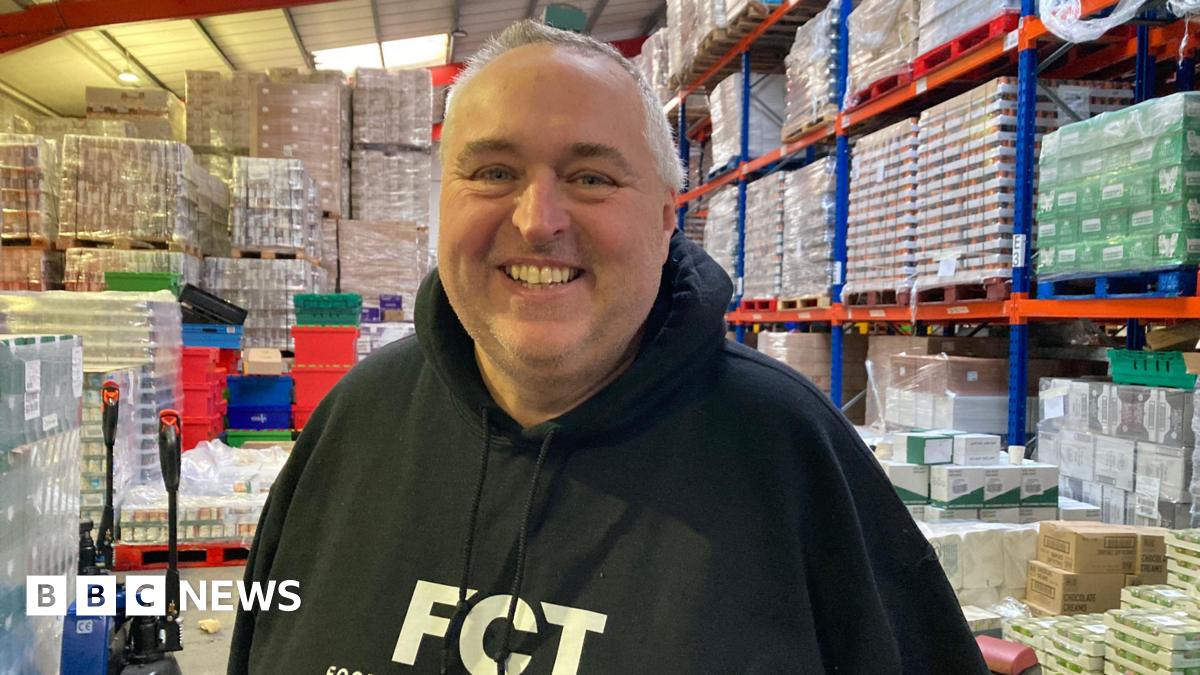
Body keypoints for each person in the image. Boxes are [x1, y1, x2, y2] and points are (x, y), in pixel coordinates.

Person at [229, 20, 986, 675]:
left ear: (666, 217)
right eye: (494, 171)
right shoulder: (355, 426)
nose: (538, 219)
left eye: (590, 176)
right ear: (442, 203)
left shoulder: (791, 455)